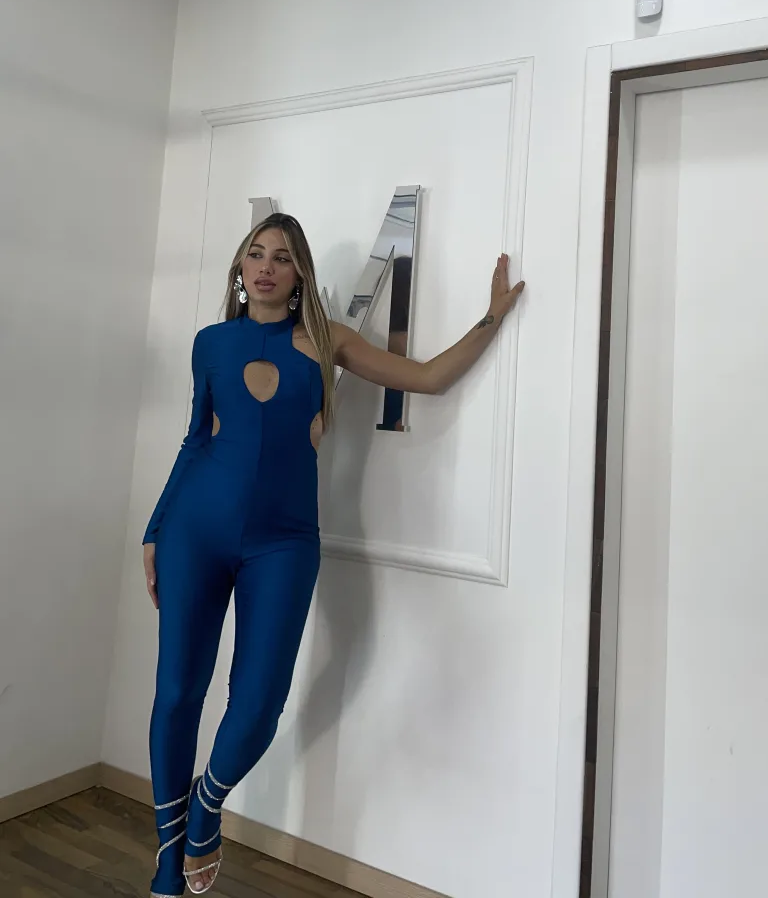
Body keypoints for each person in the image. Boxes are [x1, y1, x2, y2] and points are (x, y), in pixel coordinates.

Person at [142, 212, 525, 897]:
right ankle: (169, 867)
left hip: (284, 543)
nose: (266, 266)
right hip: (193, 533)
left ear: (300, 274)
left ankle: (207, 802)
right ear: (240, 268)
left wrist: (491, 318)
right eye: (256, 253)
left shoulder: (329, 343)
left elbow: (429, 378)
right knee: (177, 694)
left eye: (282, 257)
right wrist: (154, 528)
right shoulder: (211, 344)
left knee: (259, 703)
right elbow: (195, 439)